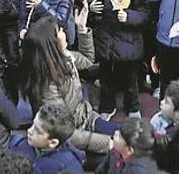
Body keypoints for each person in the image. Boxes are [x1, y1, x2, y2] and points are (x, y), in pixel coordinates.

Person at [19, 12, 117, 153]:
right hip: (72, 137)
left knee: (127, 133)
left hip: (86, 118)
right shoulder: (47, 87)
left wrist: (82, 29)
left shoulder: (64, 56)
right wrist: (107, 143)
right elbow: (63, 131)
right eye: (59, 30)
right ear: (51, 43)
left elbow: (87, 60)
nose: (64, 32)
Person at [93, 0, 151, 119]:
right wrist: (92, 9)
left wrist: (129, 16)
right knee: (106, 79)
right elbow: (96, 6)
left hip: (128, 41)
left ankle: (132, 105)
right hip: (107, 39)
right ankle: (107, 105)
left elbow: (144, 13)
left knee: (130, 80)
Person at [8, 103, 86, 174]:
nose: (29, 131)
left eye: (38, 131)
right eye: (32, 124)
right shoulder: (19, 144)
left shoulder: (68, 167)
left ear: (53, 143)